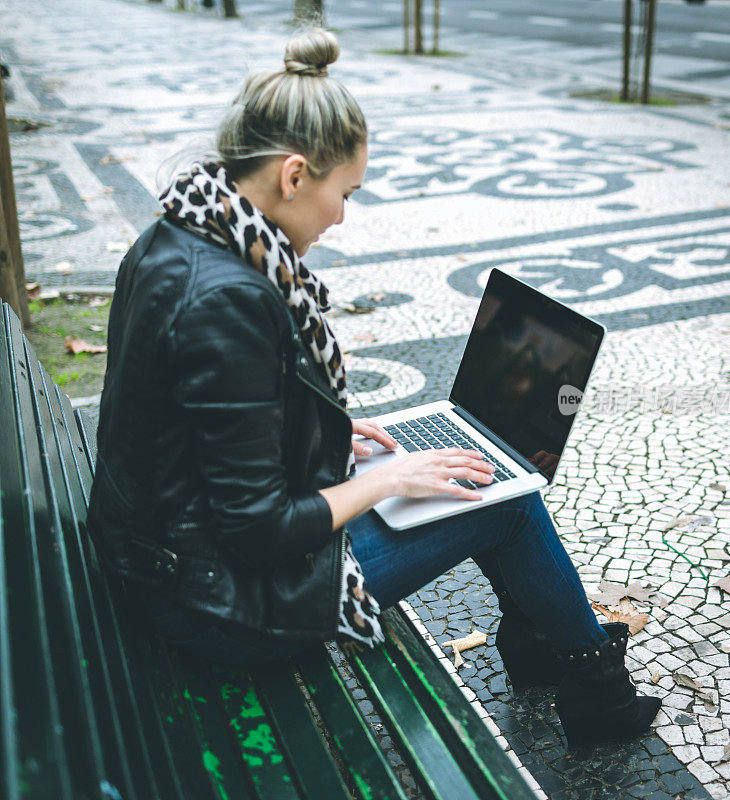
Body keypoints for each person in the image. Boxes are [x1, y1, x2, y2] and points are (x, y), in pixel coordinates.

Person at [87, 28, 661, 747]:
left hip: (165, 552)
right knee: (504, 500)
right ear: (293, 176)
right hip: (216, 603)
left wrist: (319, 431)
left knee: (472, 476)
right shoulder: (225, 301)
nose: (340, 217)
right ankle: (592, 685)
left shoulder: (176, 238)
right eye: (343, 192)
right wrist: (392, 475)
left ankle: (551, 649)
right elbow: (259, 530)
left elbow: (203, 427)